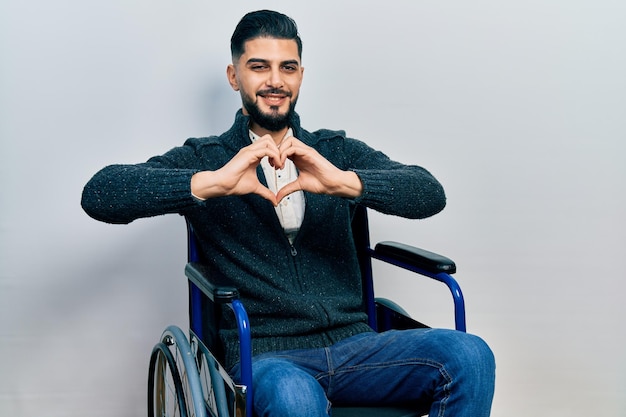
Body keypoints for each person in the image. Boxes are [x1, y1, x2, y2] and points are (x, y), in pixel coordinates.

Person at [82, 9, 495, 417]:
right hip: (263, 354)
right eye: (259, 67)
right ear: (234, 76)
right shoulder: (207, 158)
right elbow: (100, 194)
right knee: (296, 396)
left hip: (357, 346)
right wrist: (210, 184)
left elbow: (429, 192)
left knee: (470, 356)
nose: (275, 81)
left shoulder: (333, 151)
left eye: (288, 67)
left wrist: (343, 183)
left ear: (300, 76)